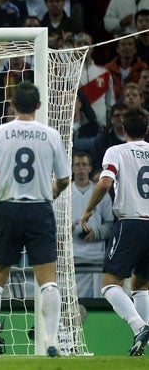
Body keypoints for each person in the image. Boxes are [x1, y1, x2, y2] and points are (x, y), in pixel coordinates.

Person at [0, 82, 70, 357]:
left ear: (12, 104)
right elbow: (64, 178)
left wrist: (1, 179)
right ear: (39, 105)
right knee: (48, 278)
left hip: (8, 208)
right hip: (40, 209)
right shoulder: (50, 134)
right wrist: (54, 190)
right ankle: (52, 341)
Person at [80, 108, 149, 356]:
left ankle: (139, 325)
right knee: (141, 285)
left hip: (131, 223)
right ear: (147, 129)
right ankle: (141, 340)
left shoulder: (116, 151)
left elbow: (105, 182)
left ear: (123, 130)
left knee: (109, 285)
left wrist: (88, 210)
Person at [71, 152, 114, 298]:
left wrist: (96, 232)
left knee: (98, 300)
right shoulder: (65, 194)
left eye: (84, 165)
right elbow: (52, 226)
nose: (81, 169)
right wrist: (64, 229)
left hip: (96, 256)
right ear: (72, 168)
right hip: (72, 255)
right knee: (72, 300)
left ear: (90, 168)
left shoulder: (101, 193)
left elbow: (110, 224)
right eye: (77, 165)